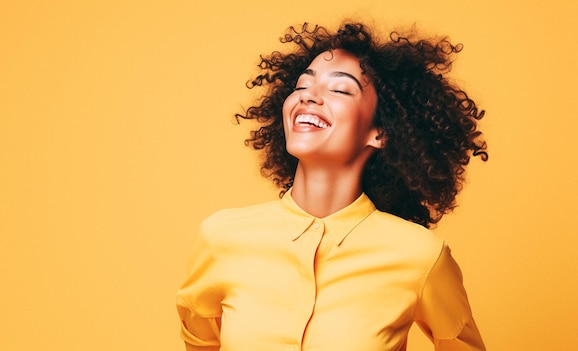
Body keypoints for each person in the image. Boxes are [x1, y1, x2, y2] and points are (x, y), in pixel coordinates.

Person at [176, 21, 487, 351]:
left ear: (379, 133)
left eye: (339, 90)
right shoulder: (221, 238)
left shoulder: (421, 257)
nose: (310, 96)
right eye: (302, 86)